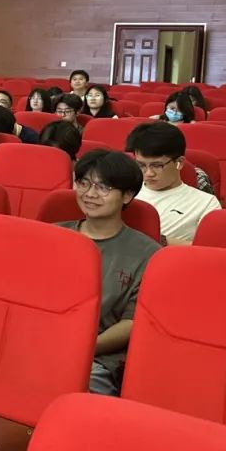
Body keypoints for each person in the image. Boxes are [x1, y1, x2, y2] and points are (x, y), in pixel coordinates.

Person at [56, 149, 158, 396]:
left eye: (103, 187)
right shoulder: (53, 235)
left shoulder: (148, 254)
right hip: (38, 342)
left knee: (63, 383)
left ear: (127, 195)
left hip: (97, 358)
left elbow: (132, 322)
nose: (90, 194)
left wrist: (82, 347)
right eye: (84, 183)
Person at [126, 122, 220, 244]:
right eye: (141, 165)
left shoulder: (206, 203)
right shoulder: (124, 193)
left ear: (179, 162)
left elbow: (209, 249)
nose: (149, 173)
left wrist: (159, 240)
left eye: (157, 165)